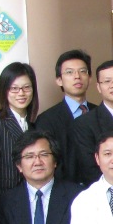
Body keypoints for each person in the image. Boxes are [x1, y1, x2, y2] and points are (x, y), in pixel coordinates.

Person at [34, 50, 95, 184]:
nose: (77, 76)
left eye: (82, 71)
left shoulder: (100, 113)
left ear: (90, 78)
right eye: (69, 72)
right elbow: (48, 161)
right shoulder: (46, 120)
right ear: (59, 80)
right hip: (65, 190)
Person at [0, 61, 39, 190]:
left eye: (26, 87)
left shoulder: (34, 124)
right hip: (4, 198)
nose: (21, 93)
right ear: (4, 91)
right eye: (14, 88)